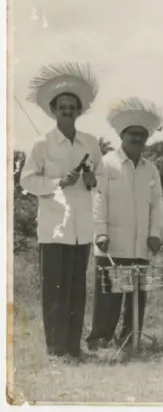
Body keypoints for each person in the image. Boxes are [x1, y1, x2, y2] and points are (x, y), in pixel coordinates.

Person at [20, 62, 104, 360]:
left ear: (79, 111)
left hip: (82, 228)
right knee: (55, 289)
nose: (67, 111)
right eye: (62, 107)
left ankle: (73, 346)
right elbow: (27, 180)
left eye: (72, 107)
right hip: (54, 229)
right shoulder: (42, 143)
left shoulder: (90, 143)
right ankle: (56, 348)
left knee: (77, 289)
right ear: (53, 110)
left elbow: (102, 178)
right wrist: (58, 182)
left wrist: (92, 180)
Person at [88, 98, 163, 351]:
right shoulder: (106, 163)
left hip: (140, 244)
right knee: (109, 296)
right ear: (122, 135)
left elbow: (157, 204)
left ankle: (130, 339)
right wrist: (100, 232)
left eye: (142, 135)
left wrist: (155, 233)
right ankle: (101, 340)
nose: (137, 139)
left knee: (136, 296)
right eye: (133, 134)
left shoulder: (150, 169)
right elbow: (97, 198)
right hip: (111, 243)